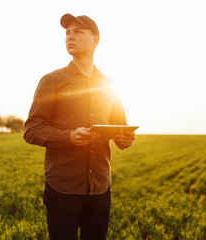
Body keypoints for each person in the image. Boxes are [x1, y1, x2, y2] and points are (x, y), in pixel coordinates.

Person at [23, 13, 136, 240]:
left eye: (78, 32)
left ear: (95, 40)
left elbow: (120, 127)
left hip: (100, 188)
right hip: (62, 187)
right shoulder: (52, 80)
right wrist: (69, 137)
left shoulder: (110, 85)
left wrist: (124, 139)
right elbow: (31, 129)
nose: (70, 37)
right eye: (67, 33)